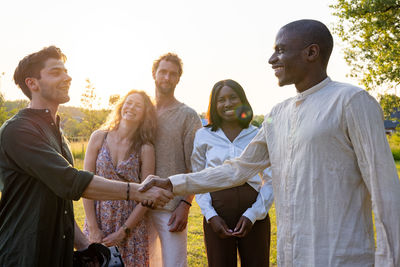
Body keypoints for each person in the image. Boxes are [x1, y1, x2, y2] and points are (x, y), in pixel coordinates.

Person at [140, 20, 400, 267]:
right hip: (292, 254)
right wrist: (173, 183)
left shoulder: (351, 101)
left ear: (311, 52)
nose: (272, 59)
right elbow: (238, 168)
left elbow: (385, 189)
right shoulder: (279, 113)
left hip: (341, 254)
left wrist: (390, 260)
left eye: (281, 50)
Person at [0, 46, 173, 266]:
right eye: (56, 72)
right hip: (24, 254)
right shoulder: (20, 131)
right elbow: (70, 181)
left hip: (58, 255)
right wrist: (137, 191)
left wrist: (85, 247)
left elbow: (60, 204)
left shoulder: (58, 133)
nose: (67, 77)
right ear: (32, 83)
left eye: (66, 71)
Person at [193, 79, 273, 267]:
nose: (227, 103)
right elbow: (198, 179)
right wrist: (211, 215)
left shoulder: (257, 134)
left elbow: (270, 179)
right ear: (214, 104)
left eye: (233, 98)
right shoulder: (203, 135)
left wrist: (253, 215)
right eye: (221, 99)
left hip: (254, 214)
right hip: (217, 214)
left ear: (242, 100)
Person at [82, 90, 156, 266]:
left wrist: (124, 231)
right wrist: (93, 227)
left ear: (145, 114)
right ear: (121, 106)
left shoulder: (146, 148)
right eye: (129, 102)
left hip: (130, 224)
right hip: (98, 218)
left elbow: (146, 195)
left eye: (138, 105)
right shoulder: (99, 137)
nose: (131, 107)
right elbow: (85, 184)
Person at [148, 53, 202, 267]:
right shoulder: (142, 111)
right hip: (139, 206)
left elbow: (195, 167)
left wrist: (186, 204)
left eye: (173, 74)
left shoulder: (188, 116)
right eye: (163, 72)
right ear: (154, 74)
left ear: (178, 78)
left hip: (171, 208)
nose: (167, 78)